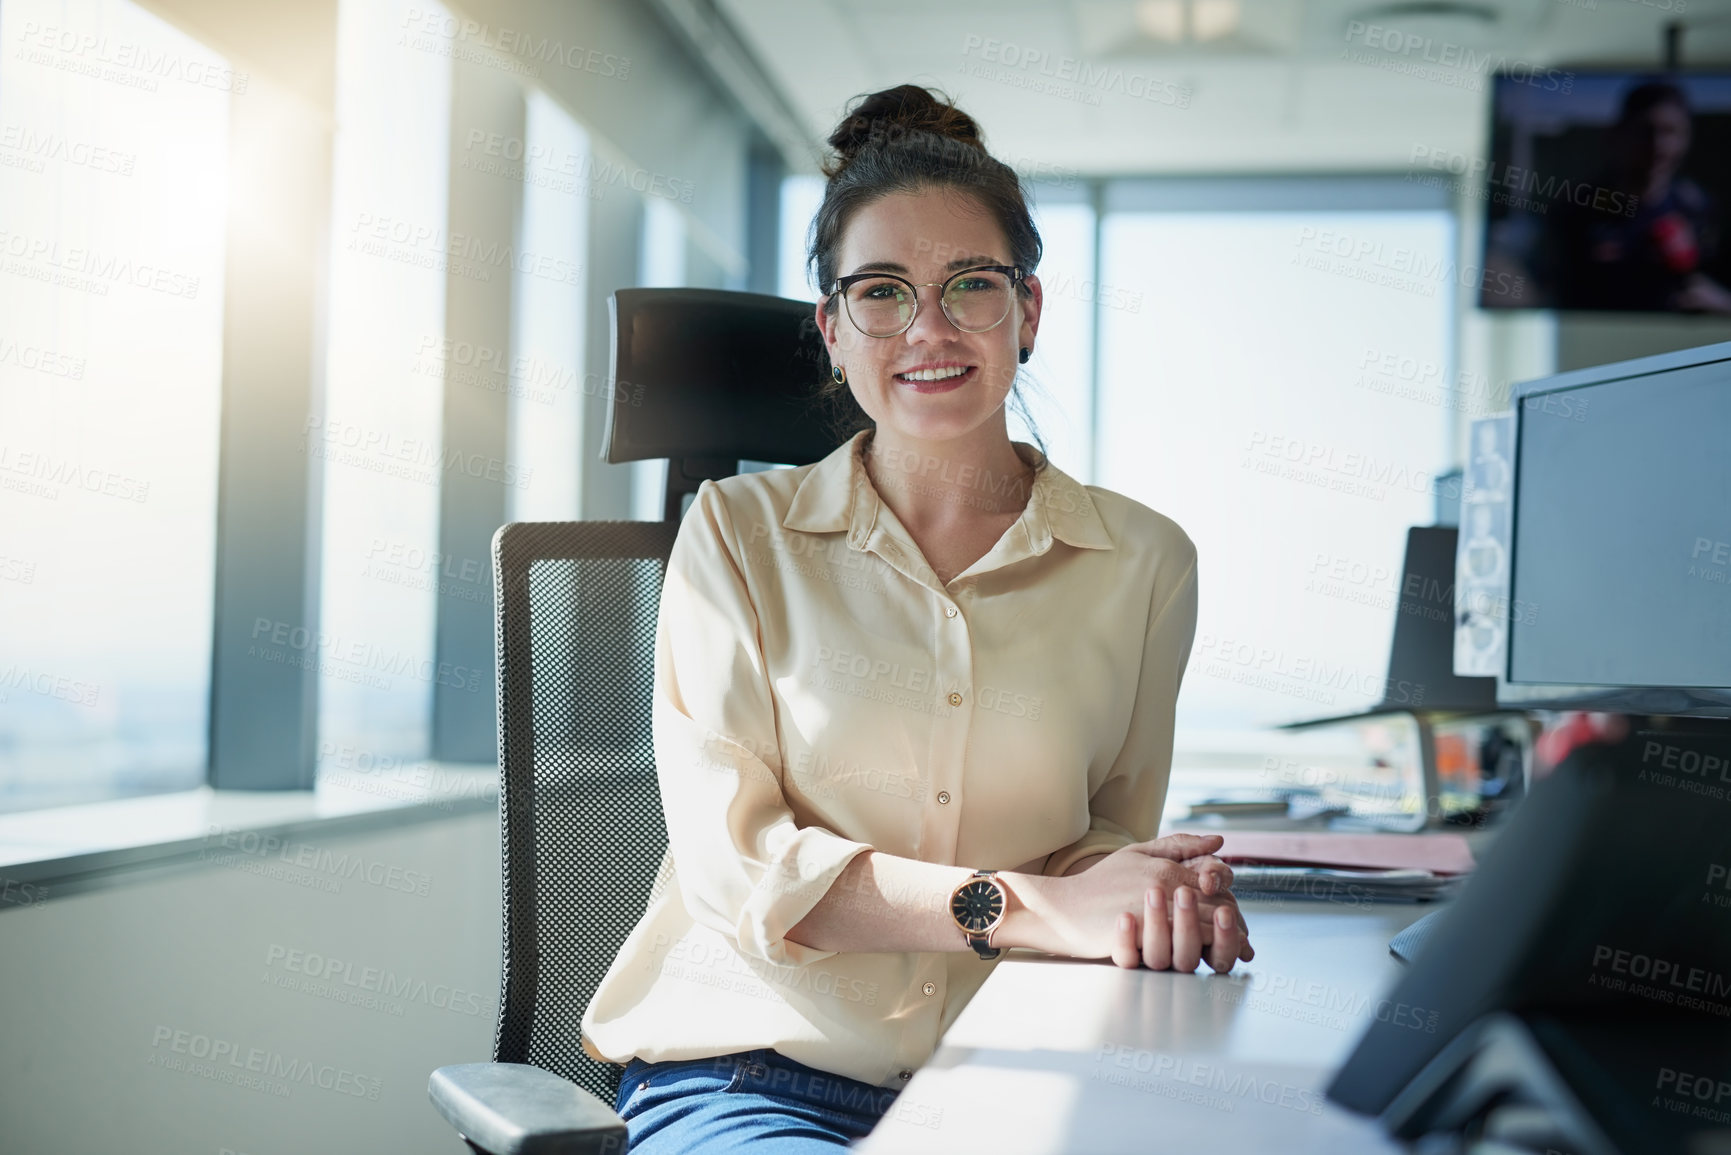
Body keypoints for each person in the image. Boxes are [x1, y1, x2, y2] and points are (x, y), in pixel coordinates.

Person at [578, 84, 1252, 1154]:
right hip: (758, 1075)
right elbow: (744, 867)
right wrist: (1025, 910)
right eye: (881, 293)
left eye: (970, 287)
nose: (928, 330)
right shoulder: (737, 536)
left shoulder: (1146, 563)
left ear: (1028, 313)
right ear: (833, 331)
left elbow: (1101, 841)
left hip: (1016, 1069)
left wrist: (1145, 892)